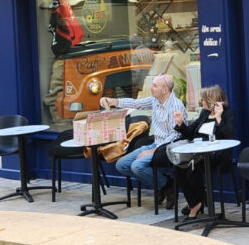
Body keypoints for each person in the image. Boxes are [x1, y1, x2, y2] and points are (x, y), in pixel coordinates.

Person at [100, 73, 184, 206]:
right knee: (121, 165)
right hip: (156, 143)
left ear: (165, 90)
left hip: (170, 148)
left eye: (154, 86)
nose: (151, 88)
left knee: (137, 166)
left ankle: (167, 185)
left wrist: (153, 151)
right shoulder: (155, 100)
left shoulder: (176, 106)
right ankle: (164, 184)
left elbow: (176, 135)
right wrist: (114, 102)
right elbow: (136, 103)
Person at [171, 85, 236, 220]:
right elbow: (190, 133)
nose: (201, 101)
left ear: (212, 100)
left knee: (192, 171)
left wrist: (219, 118)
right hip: (199, 154)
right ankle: (195, 202)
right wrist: (180, 124)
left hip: (217, 156)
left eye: (204, 99)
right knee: (178, 169)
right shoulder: (204, 113)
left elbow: (229, 135)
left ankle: (197, 204)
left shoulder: (228, 113)